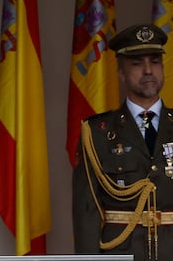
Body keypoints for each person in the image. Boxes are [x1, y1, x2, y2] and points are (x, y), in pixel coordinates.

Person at [72, 23, 173, 261]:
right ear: (121, 73)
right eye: (137, 63)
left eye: (155, 61)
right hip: (122, 254)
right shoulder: (96, 132)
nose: (148, 70)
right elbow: (87, 212)